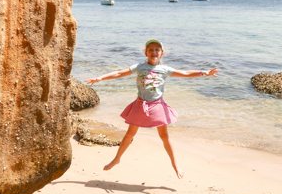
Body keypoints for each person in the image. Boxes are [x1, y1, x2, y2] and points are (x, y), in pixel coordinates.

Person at [85, 39, 219, 179]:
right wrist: (99, 78)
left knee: (165, 136)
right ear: (146, 53)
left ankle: (175, 165)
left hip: (157, 105)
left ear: (161, 53)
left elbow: (185, 73)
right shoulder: (139, 67)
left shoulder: (165, 70)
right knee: (130, 134)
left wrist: (205, 73)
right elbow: (119, 73)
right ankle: (117, 159)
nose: (154, 52)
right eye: (151, 49)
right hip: (140, 104)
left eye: (157, 50)